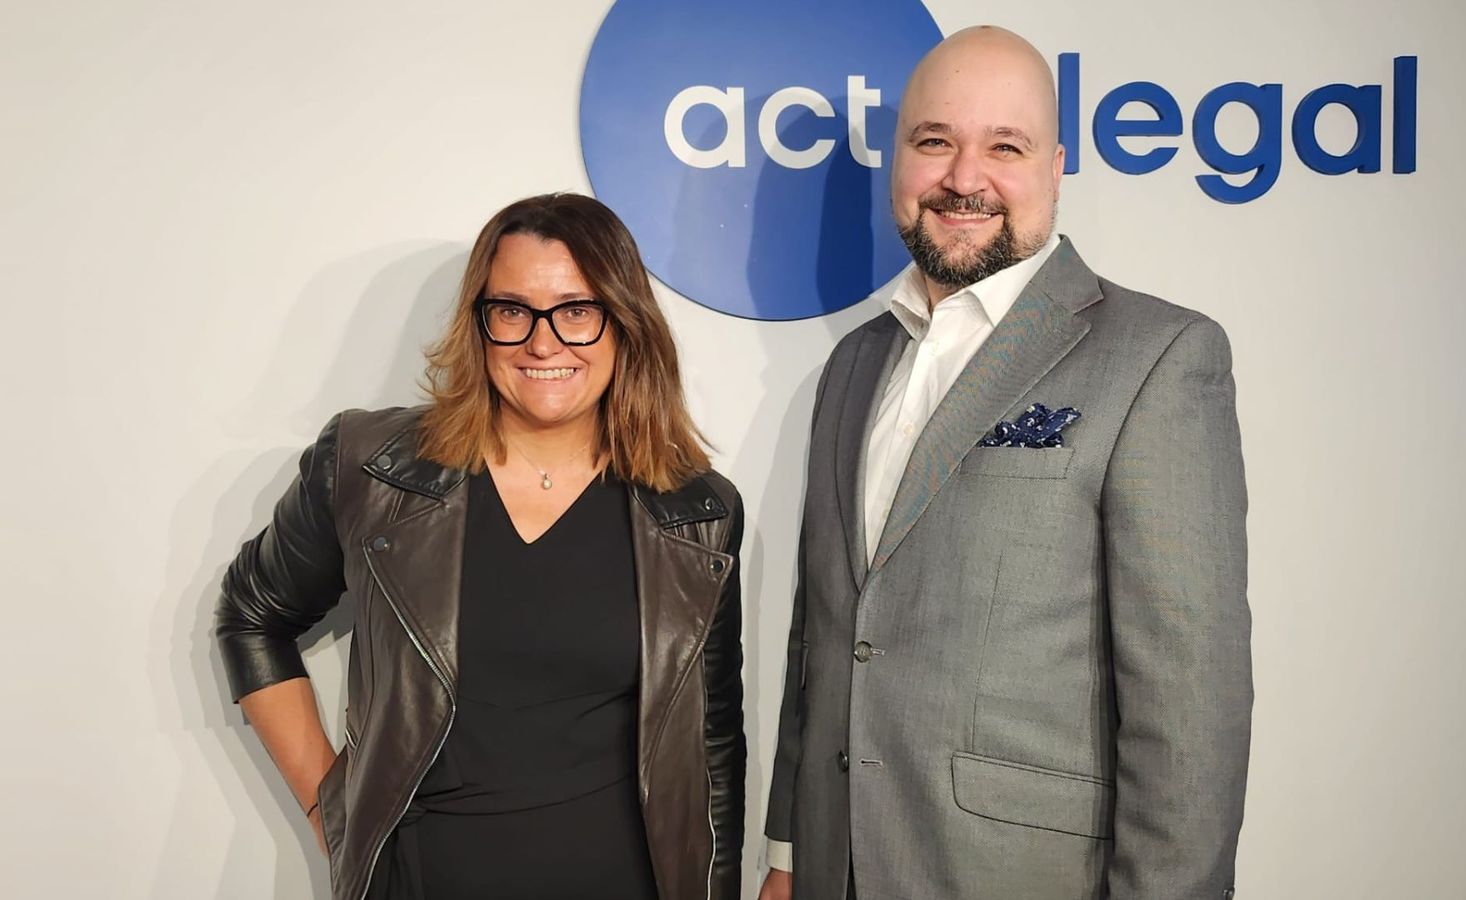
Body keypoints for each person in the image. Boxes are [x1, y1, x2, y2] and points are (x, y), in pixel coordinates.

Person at [759, 26, 1251, 900]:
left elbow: (1190, 713)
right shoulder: (854, 363)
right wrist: (791, 852)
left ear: (1056, 166)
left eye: (1004, 146)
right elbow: (828, 635)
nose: (963, 178)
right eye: (935, 141)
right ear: (898, 160)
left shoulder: (1159, 355)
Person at [215, 193, 745, 900]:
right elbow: (253, 614)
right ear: (480, 323)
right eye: (513, 310)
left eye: (577, 310)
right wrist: (328, 805)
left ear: (625, 324)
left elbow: (711, 750)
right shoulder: (373, 468)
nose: (544, 342)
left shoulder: (697, 511)